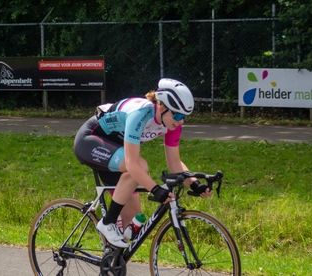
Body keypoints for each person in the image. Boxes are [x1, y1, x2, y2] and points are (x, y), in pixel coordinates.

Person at [74, 78, 213, 248]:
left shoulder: (172, 124)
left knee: (133, 213)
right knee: (141, 165)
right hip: (92, 140)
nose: (181, 121)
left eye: (184, 117)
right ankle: (107, 222)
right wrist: (155, 189)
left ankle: (112, 262)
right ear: (161, 107)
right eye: (178, 115)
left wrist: (194, 184)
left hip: (117, 149)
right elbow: (132, 164)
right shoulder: (139, 114)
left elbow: (174, 162)